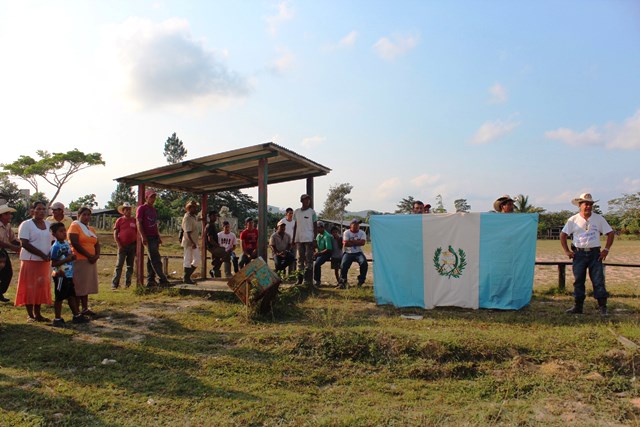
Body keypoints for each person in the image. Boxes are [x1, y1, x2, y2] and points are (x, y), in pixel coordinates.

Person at [560, 193, 615, 315]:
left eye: (590, 204)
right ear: (580, 205)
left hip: (595, 254)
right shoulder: (573, 220)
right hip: (578, 254)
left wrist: (606, 249)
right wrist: (567, 251)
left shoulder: (598, 219)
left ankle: (602, 308)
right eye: (586, 204)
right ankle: (578, 307)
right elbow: (563, 235)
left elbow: (610, 233)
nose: (588, 206)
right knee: (578, 281)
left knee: (598, 280)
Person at [15, 201, 53, 322]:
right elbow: (24, 243)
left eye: (44, 209)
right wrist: (41, 254)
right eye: (39, 209)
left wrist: (50, 253)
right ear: (32, 211)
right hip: (30, 260)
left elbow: (53, 241)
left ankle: (38, 313)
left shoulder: (49, 224)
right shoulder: (26, 224)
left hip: (45, 262)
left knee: (41, 286)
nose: (42, 211)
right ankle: (30, 314)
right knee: (30, 287)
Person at [49, 222, 88, 327]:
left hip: (69, 274)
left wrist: (72, 257)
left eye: (64, 230)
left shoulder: (66, 243)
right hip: (61, 275)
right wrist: (67, 259)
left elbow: (68, 255)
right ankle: (57, 318)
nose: (64, 233)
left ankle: (76, 315)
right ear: (54, 233)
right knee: (59, 297)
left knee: (71, 295)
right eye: (60, 231)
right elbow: (54, 263)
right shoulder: (55, 246)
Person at [68, 207, 100, 317]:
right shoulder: (75, 226)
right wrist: (89, 255)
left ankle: (85, 308)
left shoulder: (91, 229)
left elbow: (96, 243)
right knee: (78, 286)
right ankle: (77, 310)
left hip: (90, 261)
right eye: (84, 215)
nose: (87, 217)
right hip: (79, 259)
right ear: (78, 215)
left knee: (86, 286)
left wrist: (96, 255)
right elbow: (75, 243)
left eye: (88, 215)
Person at [136, 189, 169, 286]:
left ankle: (150, 280)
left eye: (154, 197)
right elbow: (139, 222)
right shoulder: (141, 208)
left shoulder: (154, 210)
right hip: (148, 236)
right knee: (155, 258)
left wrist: (158, 236)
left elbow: (154, 224)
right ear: (146, 198)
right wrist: (143, 236)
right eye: (151, 197)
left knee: (151, 259)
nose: (153, 199)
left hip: (154, 236)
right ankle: (162, 278)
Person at [292, 194, 317, 286]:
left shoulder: (312, 212)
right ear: (301, 201)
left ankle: (307, 280)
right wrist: (293, 239)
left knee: (309, 259)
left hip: (309, 238)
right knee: (300, 259)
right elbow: (295, 225)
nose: (307, 202)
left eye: (308, 200)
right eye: (305, 200)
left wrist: (315, 238)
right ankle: (299, 279)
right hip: (299, 238)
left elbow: (315, 226)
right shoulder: (297, 212)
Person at [111, 202, 137, 289]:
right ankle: (115, 284)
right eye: (126, 209)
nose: (128, 211)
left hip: (132, 245)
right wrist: (119, 244)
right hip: (122, 245)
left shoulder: (134, 220)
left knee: (130, 266)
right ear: (123, 211)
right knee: (119, 265)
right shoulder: (119, 220)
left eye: (129, 209)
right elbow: (115, 233)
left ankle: (127, 284)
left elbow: (137, 232)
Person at [0, 204, 21, 302]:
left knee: (8, 273)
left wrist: (21, 245)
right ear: (2, 215)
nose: (10, 216)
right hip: (2, 250)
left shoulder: (7, 226)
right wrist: (13, 247)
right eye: (8, 214)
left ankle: (0, 292)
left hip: (2, 251)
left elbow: (12, 239)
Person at [339, 219, 368, 288]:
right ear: (351, 225)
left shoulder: (362, 232)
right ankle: (343, 282)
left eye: (358, 224)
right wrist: (358, 241)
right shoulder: (346, 232)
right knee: (343, 265)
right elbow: (346, 244)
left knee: (364, 263)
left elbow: (363, 243)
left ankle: (361, 281)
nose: (357, 226)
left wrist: (351, 241)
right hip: (348, 252)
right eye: (355, 224)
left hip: (359, 252)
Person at [181, 200, 201, 284]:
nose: (195, 208)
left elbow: (197, 219)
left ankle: (187, 276)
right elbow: (187, 232)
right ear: (189, 208)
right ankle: (186, 277)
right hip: (189, 242)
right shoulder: (187, 218)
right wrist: (192, 242)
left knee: (197, 260)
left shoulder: (193, 216)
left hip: (194, 241)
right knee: (187, 260)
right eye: (194, 207)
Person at [312, 221, 333, 288]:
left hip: (327, 253)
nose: (317, 229)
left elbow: (328, 249)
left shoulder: (326, 236)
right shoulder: (318, 235)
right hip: (320, 253)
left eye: (318, 228)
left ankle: (317, 281)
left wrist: (318, 253)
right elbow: (316, 246)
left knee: (317, 264)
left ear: (322, 228)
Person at [204, 210, 223, 278]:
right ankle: (215, 269)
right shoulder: (210, 226)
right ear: (210, 217)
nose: (215, 217)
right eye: (214, 216)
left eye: (216, 216)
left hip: (213, 245)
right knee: (225, 254)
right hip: (212, 246)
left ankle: (215, 269)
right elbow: (210, 239)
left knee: (220, 257)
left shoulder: (213, 225)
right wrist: (217, 246)